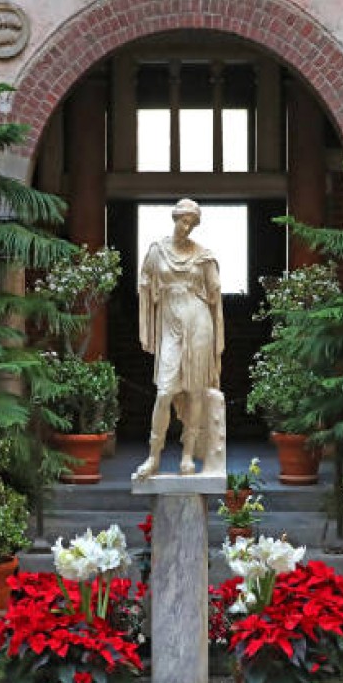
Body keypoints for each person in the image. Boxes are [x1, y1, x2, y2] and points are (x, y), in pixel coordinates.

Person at [132, 198, 224, 479]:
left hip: (198, 321)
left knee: (195, 391)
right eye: (184, 220)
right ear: (175, 219)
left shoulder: (204, 255)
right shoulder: (157, 251)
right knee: (164, 392)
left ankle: (187, 457)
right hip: (170, 323)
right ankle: (153, 456)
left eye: (192, 223)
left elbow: (214, 294)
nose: (187, 227)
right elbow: (145, 283)